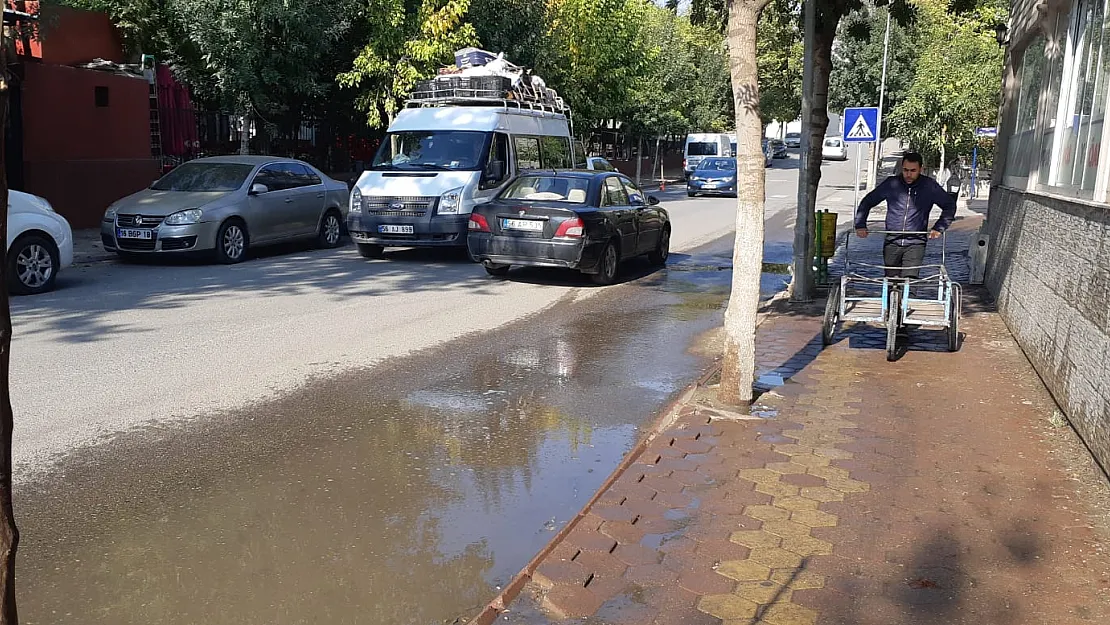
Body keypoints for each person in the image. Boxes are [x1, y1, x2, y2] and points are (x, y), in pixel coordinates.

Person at [854, 152, 957, 278]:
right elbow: (867, 202)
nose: (908, 174)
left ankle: (908, 297)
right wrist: (860, 224)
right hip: (892, 241)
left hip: (916, 243)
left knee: (910, 281)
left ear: (921, 169)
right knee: (891, 282)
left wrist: (939, 227)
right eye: (905, 170)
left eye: (913, 170)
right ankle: (891, 297)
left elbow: (949, 205)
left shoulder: (929, 186)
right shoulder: (891, 184)